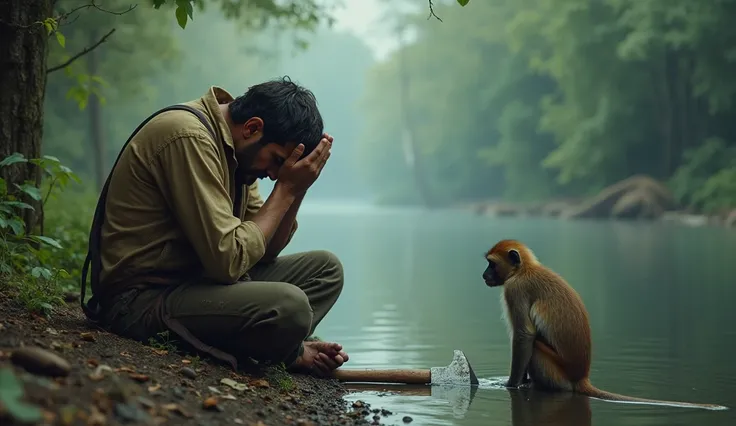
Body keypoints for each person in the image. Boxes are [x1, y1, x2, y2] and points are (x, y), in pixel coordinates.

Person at [85, 77, 349, 376]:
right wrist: (286, 188)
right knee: (291, 307)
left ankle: (276, 345)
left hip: (199, 283)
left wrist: (297, 188)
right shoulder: (189, 137)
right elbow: (228, 260)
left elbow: (264, 249)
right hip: (140, 301)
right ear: (252, 128)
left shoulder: (238, 152)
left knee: (326, 270)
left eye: (283, 168)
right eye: (276, 161)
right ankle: (287, 351)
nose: (274, 175)